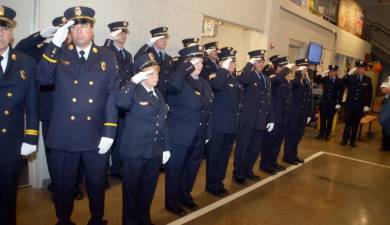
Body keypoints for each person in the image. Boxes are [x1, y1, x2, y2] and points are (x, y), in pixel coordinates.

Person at [37, 6, 119, 225]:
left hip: (95, 135)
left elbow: (112, 94)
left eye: (84, 25)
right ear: (69, 32)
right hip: (65, 135)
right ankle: (64, 221)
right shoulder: (59, 52)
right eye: (74, 27)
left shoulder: (106, 56)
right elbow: (43, 78)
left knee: (96, 184)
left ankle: (96, 219)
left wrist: (110, 130)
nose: (79, 30)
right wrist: (54, 44)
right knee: (64, 187)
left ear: (92, 29)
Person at [116, 53, 170, 225]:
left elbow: (163, 122)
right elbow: (121, 103)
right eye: (152, 73)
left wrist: (166, 147)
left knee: (148, 190)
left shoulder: (158, 94)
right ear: (143, 75)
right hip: (134, 151)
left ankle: (144, 219)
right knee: (131, 192)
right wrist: (132, 81)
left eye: (157, 73)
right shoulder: (133, 92)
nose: (156, 77)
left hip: (154, 150)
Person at [15, 16, 66, 195]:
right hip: (48, 111)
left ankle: (72, 186)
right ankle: (58, 188)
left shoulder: (72, 49)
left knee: (71, 152)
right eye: (60, 27)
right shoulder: (38, 49)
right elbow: (19, 49)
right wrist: (40, 35)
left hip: (69, 110)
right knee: (53, 153)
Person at [0, 5, 39, 225]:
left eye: (4, 27)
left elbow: (33, 106)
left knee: (7, 199)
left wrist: (31, 137)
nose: (0, 33)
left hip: (10, 144)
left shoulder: (26, 62)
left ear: (11, 32)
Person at [165, 44, 213, 216]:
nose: (199, 66)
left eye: (201, 63)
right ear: (186, 64)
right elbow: (171, 88)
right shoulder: (179, 81)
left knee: (192, 168)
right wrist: (183, 69)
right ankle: (172, 202)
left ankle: (185, 196)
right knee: (175, 170)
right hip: (180, 135)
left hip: (199, 135)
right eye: (195, 63)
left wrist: (208, 133)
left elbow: (208, 110)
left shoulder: (205, 84)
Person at [233, 50, 274, 185]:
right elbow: (243, 80)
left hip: (260, 121)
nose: (261, 64)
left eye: (262, 61)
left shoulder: (266, 79)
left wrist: (271, 118)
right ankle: (238, 173)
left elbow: (269, 101)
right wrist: (249, 65)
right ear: (252, 62)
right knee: (242, 148)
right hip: (247, 120)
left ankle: (248, 170)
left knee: (254, 149)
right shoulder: (247, 76)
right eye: (257, 61)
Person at [206, 47, 243, 197]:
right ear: (221, 62)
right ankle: (211, 184)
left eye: (233, 62)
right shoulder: (216, 76)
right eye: (229, 61)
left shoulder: (234, 78)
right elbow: (216, 86)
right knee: (214, 156)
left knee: (224, 156)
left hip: (231, 125)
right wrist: (223, 69)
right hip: (219, 125)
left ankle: (219, 182)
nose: (233, 65)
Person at [104, 20, 133, 179]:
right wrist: (109, 39)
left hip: (123, 102)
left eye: (124, 33)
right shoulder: (106, 51)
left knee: (121, 138)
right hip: (109, 102)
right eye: (119, 33)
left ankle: (117, 169)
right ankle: (101, 175)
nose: (122, 35)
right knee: (107, 137)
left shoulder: (127, 55)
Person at [260, 56, 293, 175]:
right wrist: (286, 69)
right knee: (269, 141)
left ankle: (272, 161)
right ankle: (264, 164)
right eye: (284, 67)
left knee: (277, 142)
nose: (287, 70)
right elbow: (276, 80)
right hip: (274, 116)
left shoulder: (284, 80)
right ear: (278, 67)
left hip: (283, 117)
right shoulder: (274, 78)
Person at [283, 58, 312, 164]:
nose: (305, 71)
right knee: (290, 136)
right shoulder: (295, 79)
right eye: (303, 68)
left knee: (297, 137)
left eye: (306, 68)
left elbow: (310, 97)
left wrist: (309, 113)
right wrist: (298, 73)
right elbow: (293, 85)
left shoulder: (306, 80)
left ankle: (294, 155)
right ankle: (287, 156)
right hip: (294, 114)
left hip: (302, 115)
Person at [134, 26, 173, 100]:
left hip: (165, 96)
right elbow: (137, 58)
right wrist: (149, 43)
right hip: (151, 95)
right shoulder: (147, 55)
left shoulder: (169, 58)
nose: (164, 41)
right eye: (161, 38)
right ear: (154, 40)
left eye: (166, 38)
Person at [340, 60, 373, 147]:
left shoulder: (368, 79)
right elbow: (341, 83)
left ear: (364, 69)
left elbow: (370, 94)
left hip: (360, 106)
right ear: (356, 69)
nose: (359, 70)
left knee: (356, 124)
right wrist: (348, 74)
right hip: (350, 105)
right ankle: (344, 139)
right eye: (358, 68)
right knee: (347, 123)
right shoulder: (351, 77)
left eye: (361, 68)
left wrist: (367, 105)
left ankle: (352, 141)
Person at [314, 65, 343, 140]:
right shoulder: (325, 79)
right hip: (324, 103)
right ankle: (321, 133)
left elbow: (341, 93)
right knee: (322, 119)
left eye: (333, 71)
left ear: (336, 72)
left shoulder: (339, 81)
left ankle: (327, 134)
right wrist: (322, 74)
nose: (331, 72)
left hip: (333, 104)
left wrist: (339, 103)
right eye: (330, 71)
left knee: (330, 120)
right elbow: (316, 79)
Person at [379, 77, 390, 151]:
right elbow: (383, 89)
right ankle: (385, 144)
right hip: (387, 102)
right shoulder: (389, 78)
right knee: (385, 121)